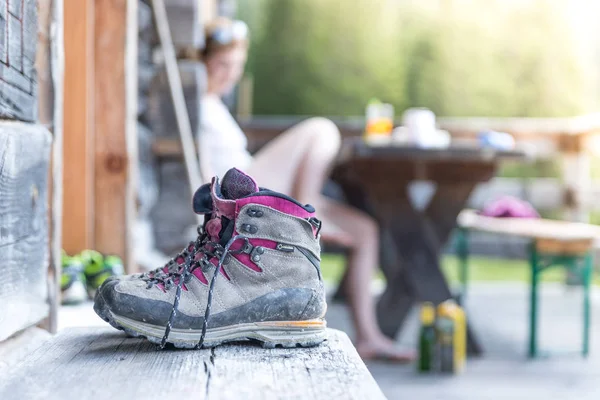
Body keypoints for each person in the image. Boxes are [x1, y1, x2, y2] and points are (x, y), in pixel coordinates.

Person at [198, 17, 413, 362]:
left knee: (365, 230)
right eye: (221, 64)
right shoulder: (196, 105)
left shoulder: (216, 105)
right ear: (201, 63)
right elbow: (202, 173)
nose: (229, 74)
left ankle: (369, 336)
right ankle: (303, 220)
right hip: (238, 197)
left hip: (258, 185)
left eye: (236, 66)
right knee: (320, 130)